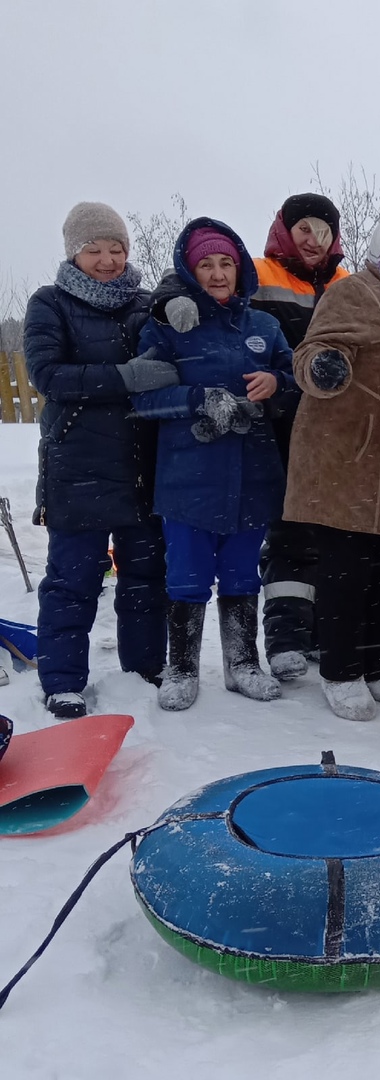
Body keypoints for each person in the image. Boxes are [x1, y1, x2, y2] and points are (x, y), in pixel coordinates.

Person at [132, 218, 296, 711]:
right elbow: (143, 397)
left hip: (252, 474)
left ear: (241, 267)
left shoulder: (264, 326)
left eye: (226, 262)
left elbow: (294, 382)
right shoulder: (166, 327)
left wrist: (276, 384)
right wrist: (196, 398)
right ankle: (181, 668)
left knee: (244, 574)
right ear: (189, 270)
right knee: (187, 576)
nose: (218, 273)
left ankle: (242, 665)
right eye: (206, 264)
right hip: (189, 480)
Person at [284, 209, 380, 722]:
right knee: (346, 573)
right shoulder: (354, 292)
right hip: (349, 456)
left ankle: (373, 664)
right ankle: (339, 670)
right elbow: (313, 348)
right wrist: (325, 367)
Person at [24, 202, 175, 718]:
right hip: (79, 466)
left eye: (116, 248)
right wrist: (125, 378)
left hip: (142, 467)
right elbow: (49, 377)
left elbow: (178, 346)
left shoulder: (146, 303)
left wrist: (182, 306)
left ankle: (144, 670)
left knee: (145, 579)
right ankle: (63, 681)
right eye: (95, 250)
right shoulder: (50, 304)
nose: (108, 259)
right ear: (74, 253)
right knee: (72, 583)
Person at [251, 193, 349, 683]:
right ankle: (285, 637)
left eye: (324, 231)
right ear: (286, 230)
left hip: (337, 432)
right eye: (304, 229)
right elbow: (201, 284)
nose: (314, 240)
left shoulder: (347, 285)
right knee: (289, 533)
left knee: (329, 535)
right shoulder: (257, 273)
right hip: (280, 426)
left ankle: (318, 634)